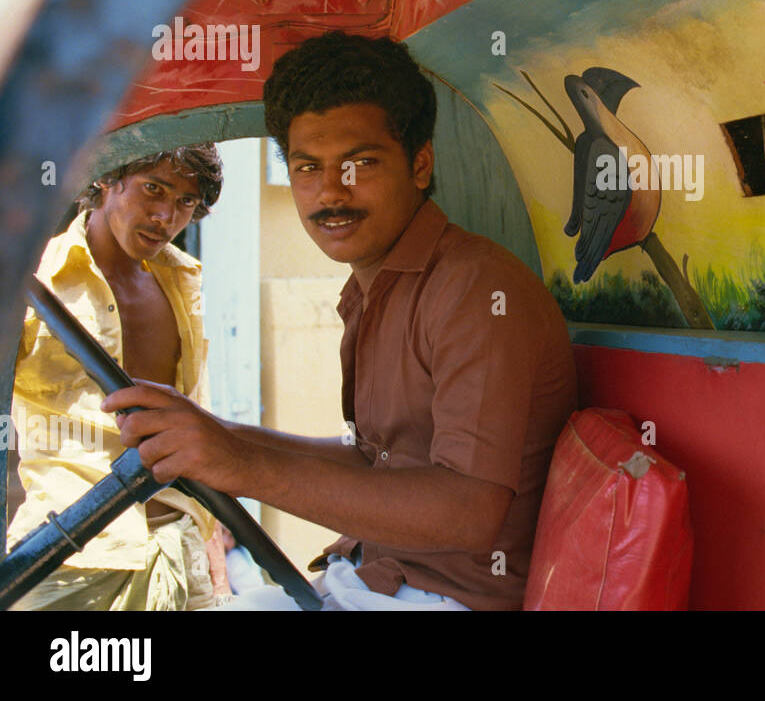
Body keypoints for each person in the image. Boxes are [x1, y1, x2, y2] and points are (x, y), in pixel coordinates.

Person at [104, 32, 579, 611]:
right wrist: (214, 434)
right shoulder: (374, 286)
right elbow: (373, 459)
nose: (331, 192)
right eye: (308, 167)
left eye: (360, 164)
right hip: (373, 576)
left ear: (420, 164)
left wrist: (241, 464)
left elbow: (470, 509)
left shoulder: (476, 288)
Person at [8, 144, 230, 610]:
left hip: (180, 547)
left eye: (186, 202)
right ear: (107, 178)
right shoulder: (34, 279)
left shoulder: (180, 279)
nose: (166, 216)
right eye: (154, 189)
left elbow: (195, 413)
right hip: (71, 555)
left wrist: (213, 523)